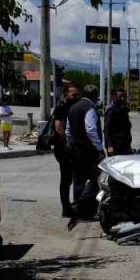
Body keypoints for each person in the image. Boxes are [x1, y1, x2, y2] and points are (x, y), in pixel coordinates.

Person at [65, 84, 105, 225]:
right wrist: (99, 149)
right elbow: (91, 130)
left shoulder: (73, 107)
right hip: (88, 150)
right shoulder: (90, 108)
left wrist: (71, 143)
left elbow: (68, 131)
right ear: (94, 95)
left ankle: (78, 209)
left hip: (75, 148)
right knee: (94, 180)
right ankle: (85, 210)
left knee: (78, 180)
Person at [51, 83, 80, 218]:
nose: (76, 97)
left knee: (69, 178)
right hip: (63, 148)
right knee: (66, 178)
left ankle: (70, 206)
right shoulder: (62, 107)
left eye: (77, 94)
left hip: (68, 147)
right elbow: (58, 128)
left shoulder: (71, 106)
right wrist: (67, 145)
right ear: (66, 94)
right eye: (73, 94)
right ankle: (66, 208)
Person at [104, 87, 133, 156]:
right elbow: (107, 130)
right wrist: (109, 145)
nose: (123, 99)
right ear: (114, 97)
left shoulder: (124, 110)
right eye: (120, 97)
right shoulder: (111, 111)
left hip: (125, 144)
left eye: (124, 97)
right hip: (115, 146)